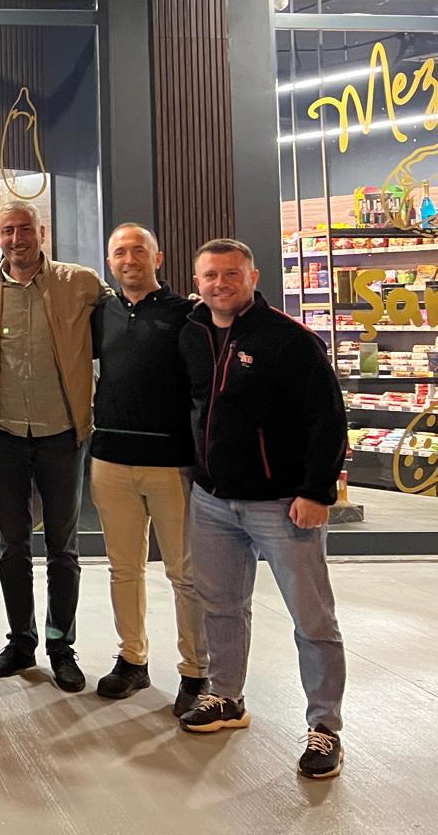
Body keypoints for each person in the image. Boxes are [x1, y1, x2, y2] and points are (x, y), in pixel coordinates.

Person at [178, 238, 347, 781]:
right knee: (222, 607)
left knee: (312, 619)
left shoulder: (290, 339)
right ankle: (226, 697)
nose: (220, 284)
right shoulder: (192, 333)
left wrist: (316, 491)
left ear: (253, 277)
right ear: (197, 282)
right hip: (212, 501)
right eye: (210, 275)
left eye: (232, 274)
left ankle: (325, 726)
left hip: (282, 505)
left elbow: (328, 418)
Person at [0, 201, 109, 693]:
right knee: (12, 547)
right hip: (4, 436)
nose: (16, 238)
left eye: (24, 229)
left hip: (62, 436)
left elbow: (129, 312)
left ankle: (60, 647)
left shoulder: (80, 283)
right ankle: (21, 642)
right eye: (7, 230)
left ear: (41, 232)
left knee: (63, 549)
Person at [90, 223, 209, 716]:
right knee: (123, 569)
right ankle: (132, 660)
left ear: (157, 258)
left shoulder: (187, 314)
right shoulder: (101, 312)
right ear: (110, 262)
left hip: (171, 464)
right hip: (110, 459)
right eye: (120, 252)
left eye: (138, 250)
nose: (129, 259)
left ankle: (196, 671)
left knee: (185, 573)